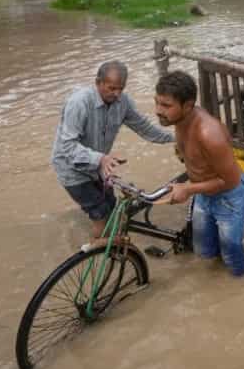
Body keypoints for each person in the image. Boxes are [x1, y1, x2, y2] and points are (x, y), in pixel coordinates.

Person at [51, 61, 174, 240]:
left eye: (120, 89)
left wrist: (175, 139)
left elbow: (145, 128)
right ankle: (99, 259)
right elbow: (67, 147)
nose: (116, 94)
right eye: (111, 88)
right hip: (71, 168)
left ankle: (112, 251)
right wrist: (101, 158)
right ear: (98, 82)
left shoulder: (123, 102)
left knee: (113, 209)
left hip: (99, 166)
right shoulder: (79, 103)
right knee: (101, 216)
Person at [153, 71, 244, 277]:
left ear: (187, 106)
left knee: (232, 253)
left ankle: (241, 286)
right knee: (204, 250)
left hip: (229, 198)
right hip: (203, 193)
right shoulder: (178, 120)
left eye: (166, 105)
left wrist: (187, 189)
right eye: (157, 103)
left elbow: (228, 180)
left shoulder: (209, 133)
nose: (158, 111)